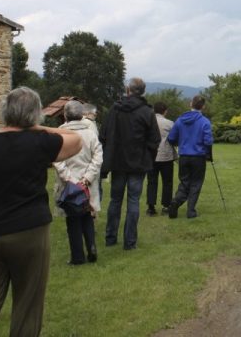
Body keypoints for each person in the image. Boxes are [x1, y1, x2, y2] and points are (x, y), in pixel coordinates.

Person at [0, 87, 82, 337]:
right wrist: (38, 127)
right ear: (36, 115)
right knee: (27, 303)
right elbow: (75, 139)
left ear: (4, 111)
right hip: (29, 231)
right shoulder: (41, 141)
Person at [101, 78, 160, 250]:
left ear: (128, 90)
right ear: (142, 92)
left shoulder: (115, 109)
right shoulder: (147, 112)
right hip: (138, 163)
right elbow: (155, 139)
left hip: (118, 162)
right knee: (133, 201)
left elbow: (103, 134)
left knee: (115, 200)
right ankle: (130, 242)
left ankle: (110, 238)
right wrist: (147, 155)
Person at [53, 100, 103, 265]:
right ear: (82, 114)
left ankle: (77, 257)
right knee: (87, 215)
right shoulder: (90, 133)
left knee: (73, 219)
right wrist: (87, 178)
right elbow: (98, 157)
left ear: (65, 115)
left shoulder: (60, 134)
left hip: (69, 184)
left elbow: (57, 158)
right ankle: (92, 248)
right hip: (87, 183)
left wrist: (70, 179)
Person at [167, 94, 213, 219]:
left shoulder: (180, 120)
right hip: (198, 156)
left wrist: (181, 143)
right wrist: (208, 153)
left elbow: (171, 138)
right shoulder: (205, 122)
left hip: (184, 156)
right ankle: (191, 210)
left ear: (190, 104)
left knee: (184, 182)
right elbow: (208, 141)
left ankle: (176, 201)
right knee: (196, 183)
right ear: (203, 107)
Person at [147, 101, 176, 216]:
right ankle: (166, 205)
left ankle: (151, 207)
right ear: (165, 111)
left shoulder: (148, 122)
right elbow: (174, 138)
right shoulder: (170, 123)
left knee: (152, 182)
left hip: (151, 156)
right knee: (167, 182)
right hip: (166, 156)